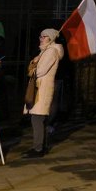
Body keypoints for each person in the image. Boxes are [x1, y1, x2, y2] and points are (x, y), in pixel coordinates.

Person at [23, 28, 64, 157]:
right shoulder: (45, 51)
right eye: (40, 36)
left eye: (44, 36)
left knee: (37, 118)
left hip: (43, 88)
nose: (41, 38)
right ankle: (41, 146)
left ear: (50, 38)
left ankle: (38, 148)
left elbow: (40, 71)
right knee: (40, 119)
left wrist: (33, 67)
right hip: (40, 87)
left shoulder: (51, 52)